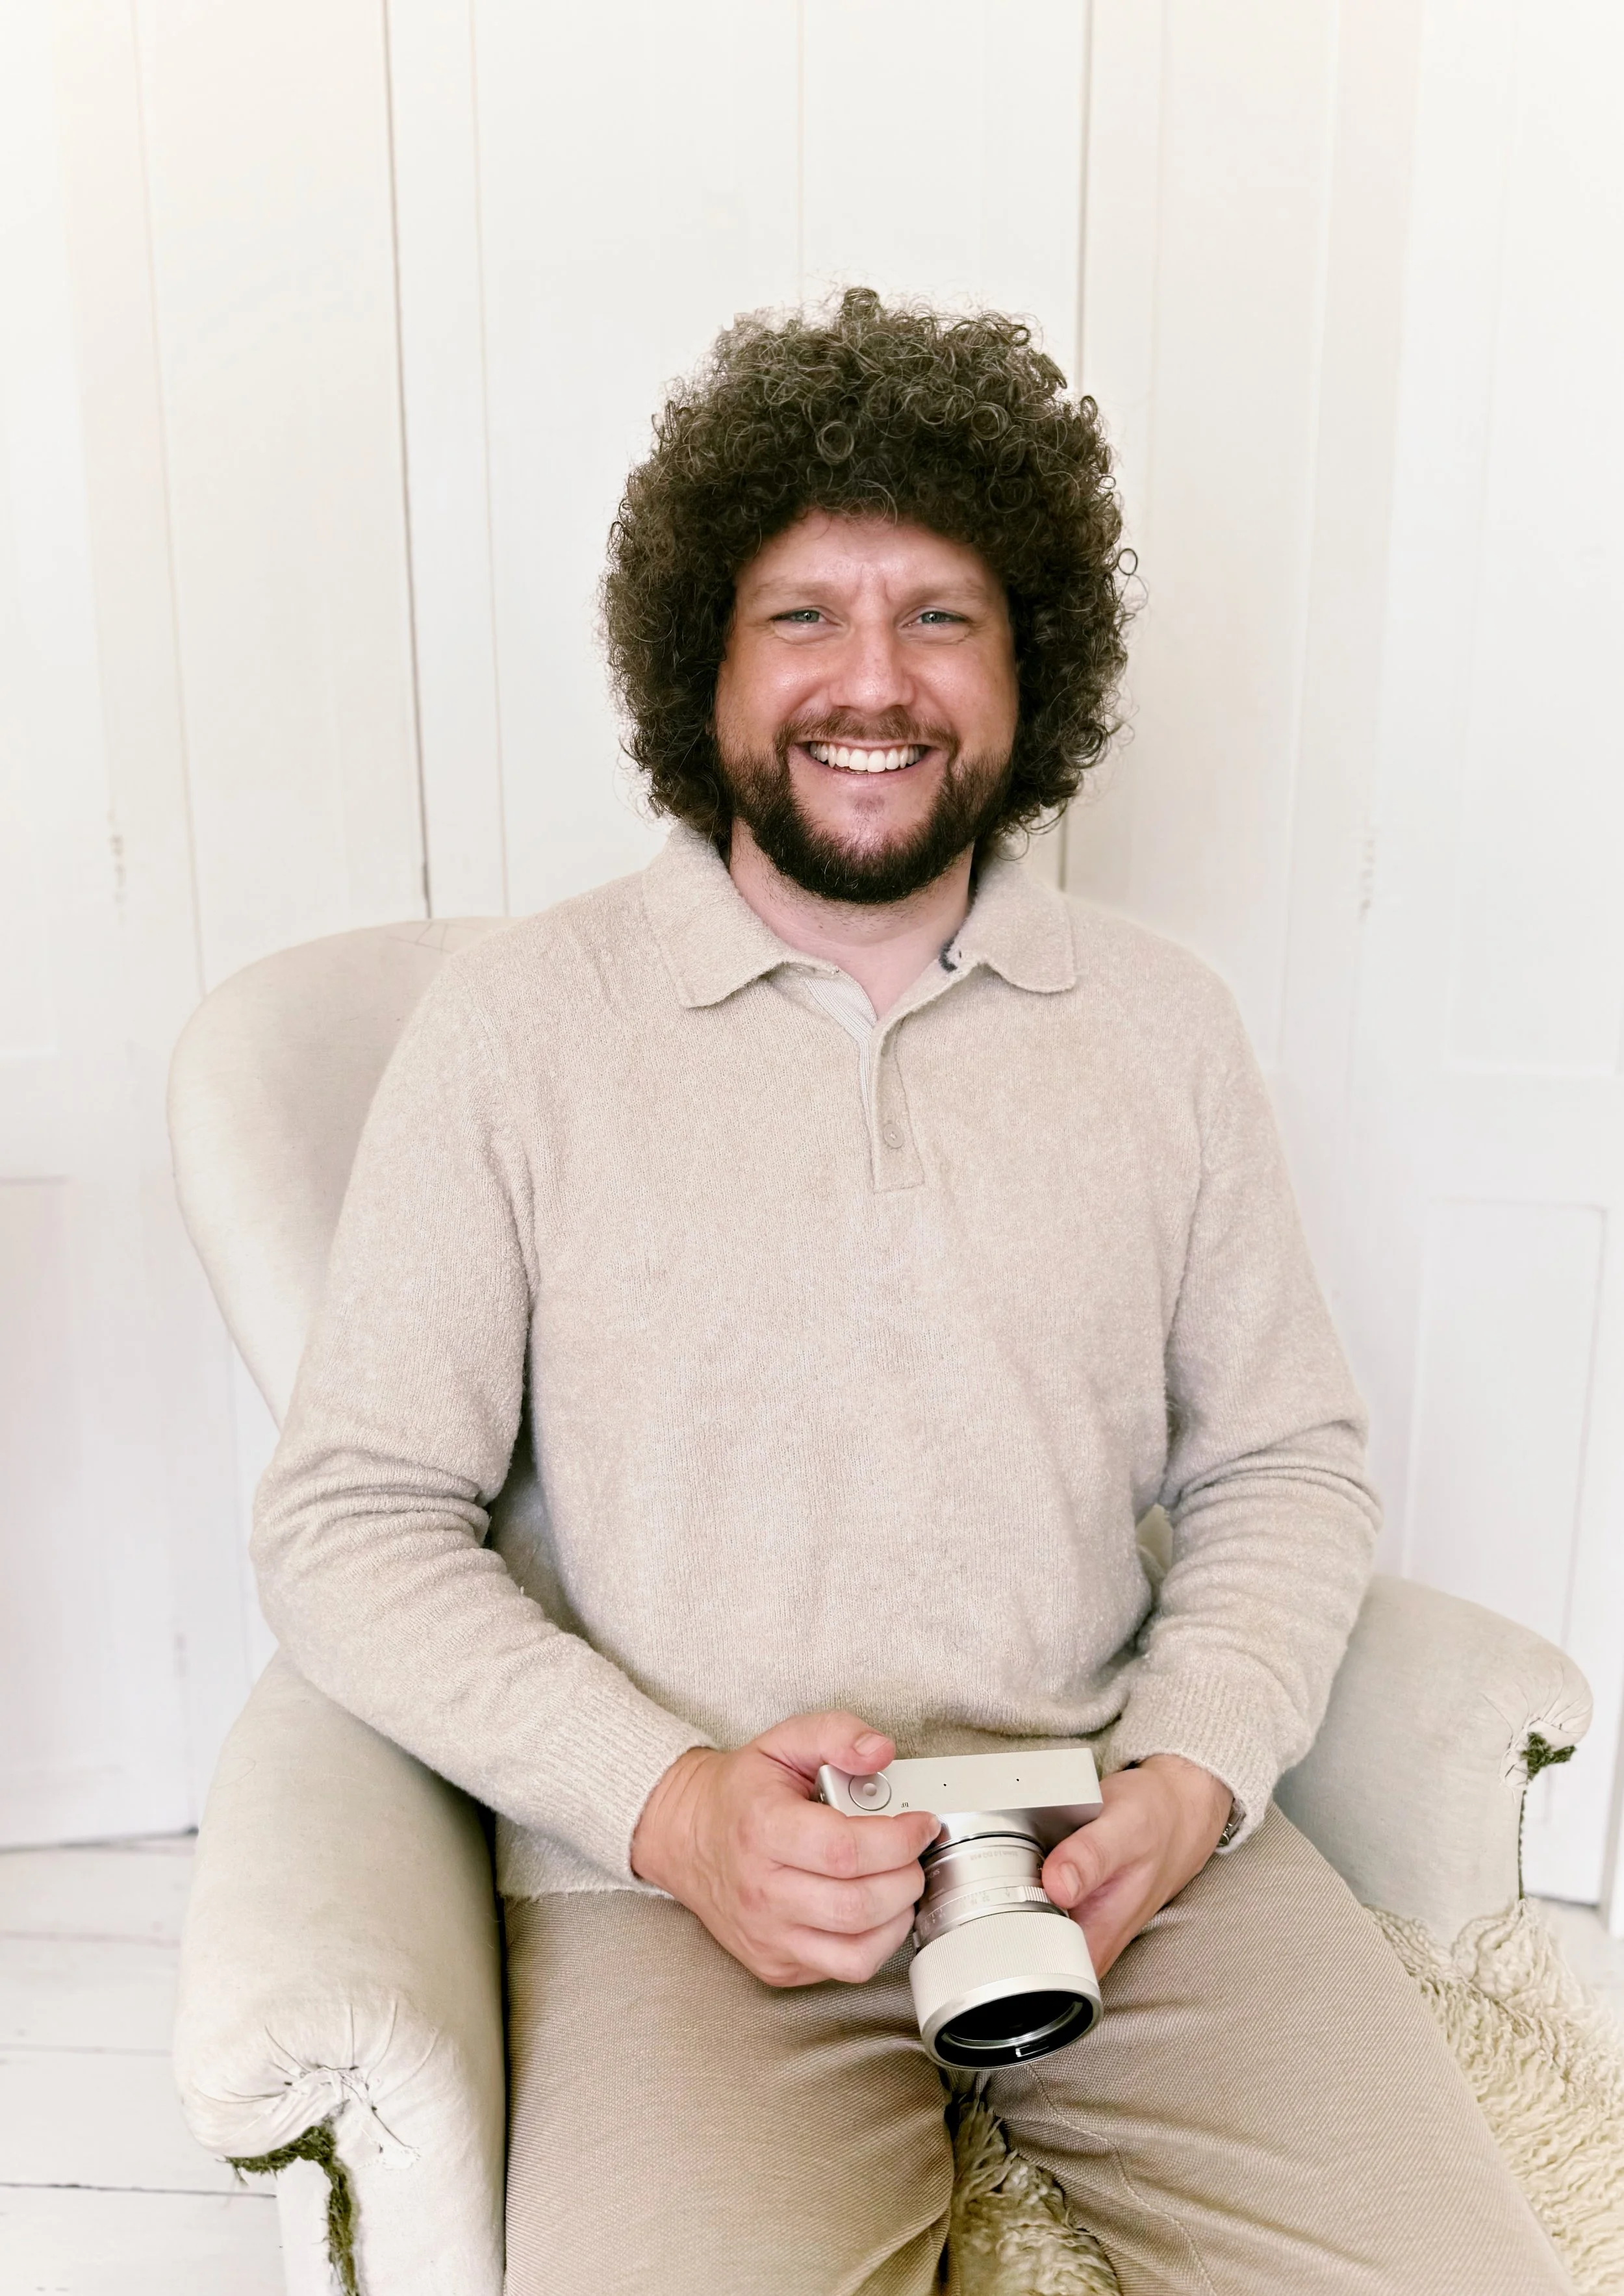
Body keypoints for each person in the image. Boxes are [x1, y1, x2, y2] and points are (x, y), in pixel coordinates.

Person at [253, 289, 1571, 2294]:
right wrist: (668, 1805)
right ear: (699, 662)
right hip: (681, 1900)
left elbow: (1282, 1464)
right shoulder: (517, 1030)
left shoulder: (1161, 1027)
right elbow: (350, 1522)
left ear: (1031, 662)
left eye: (938, 615)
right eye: (802, 614)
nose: (871, 680)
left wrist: (1193, 1767)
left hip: (1118, 1850)